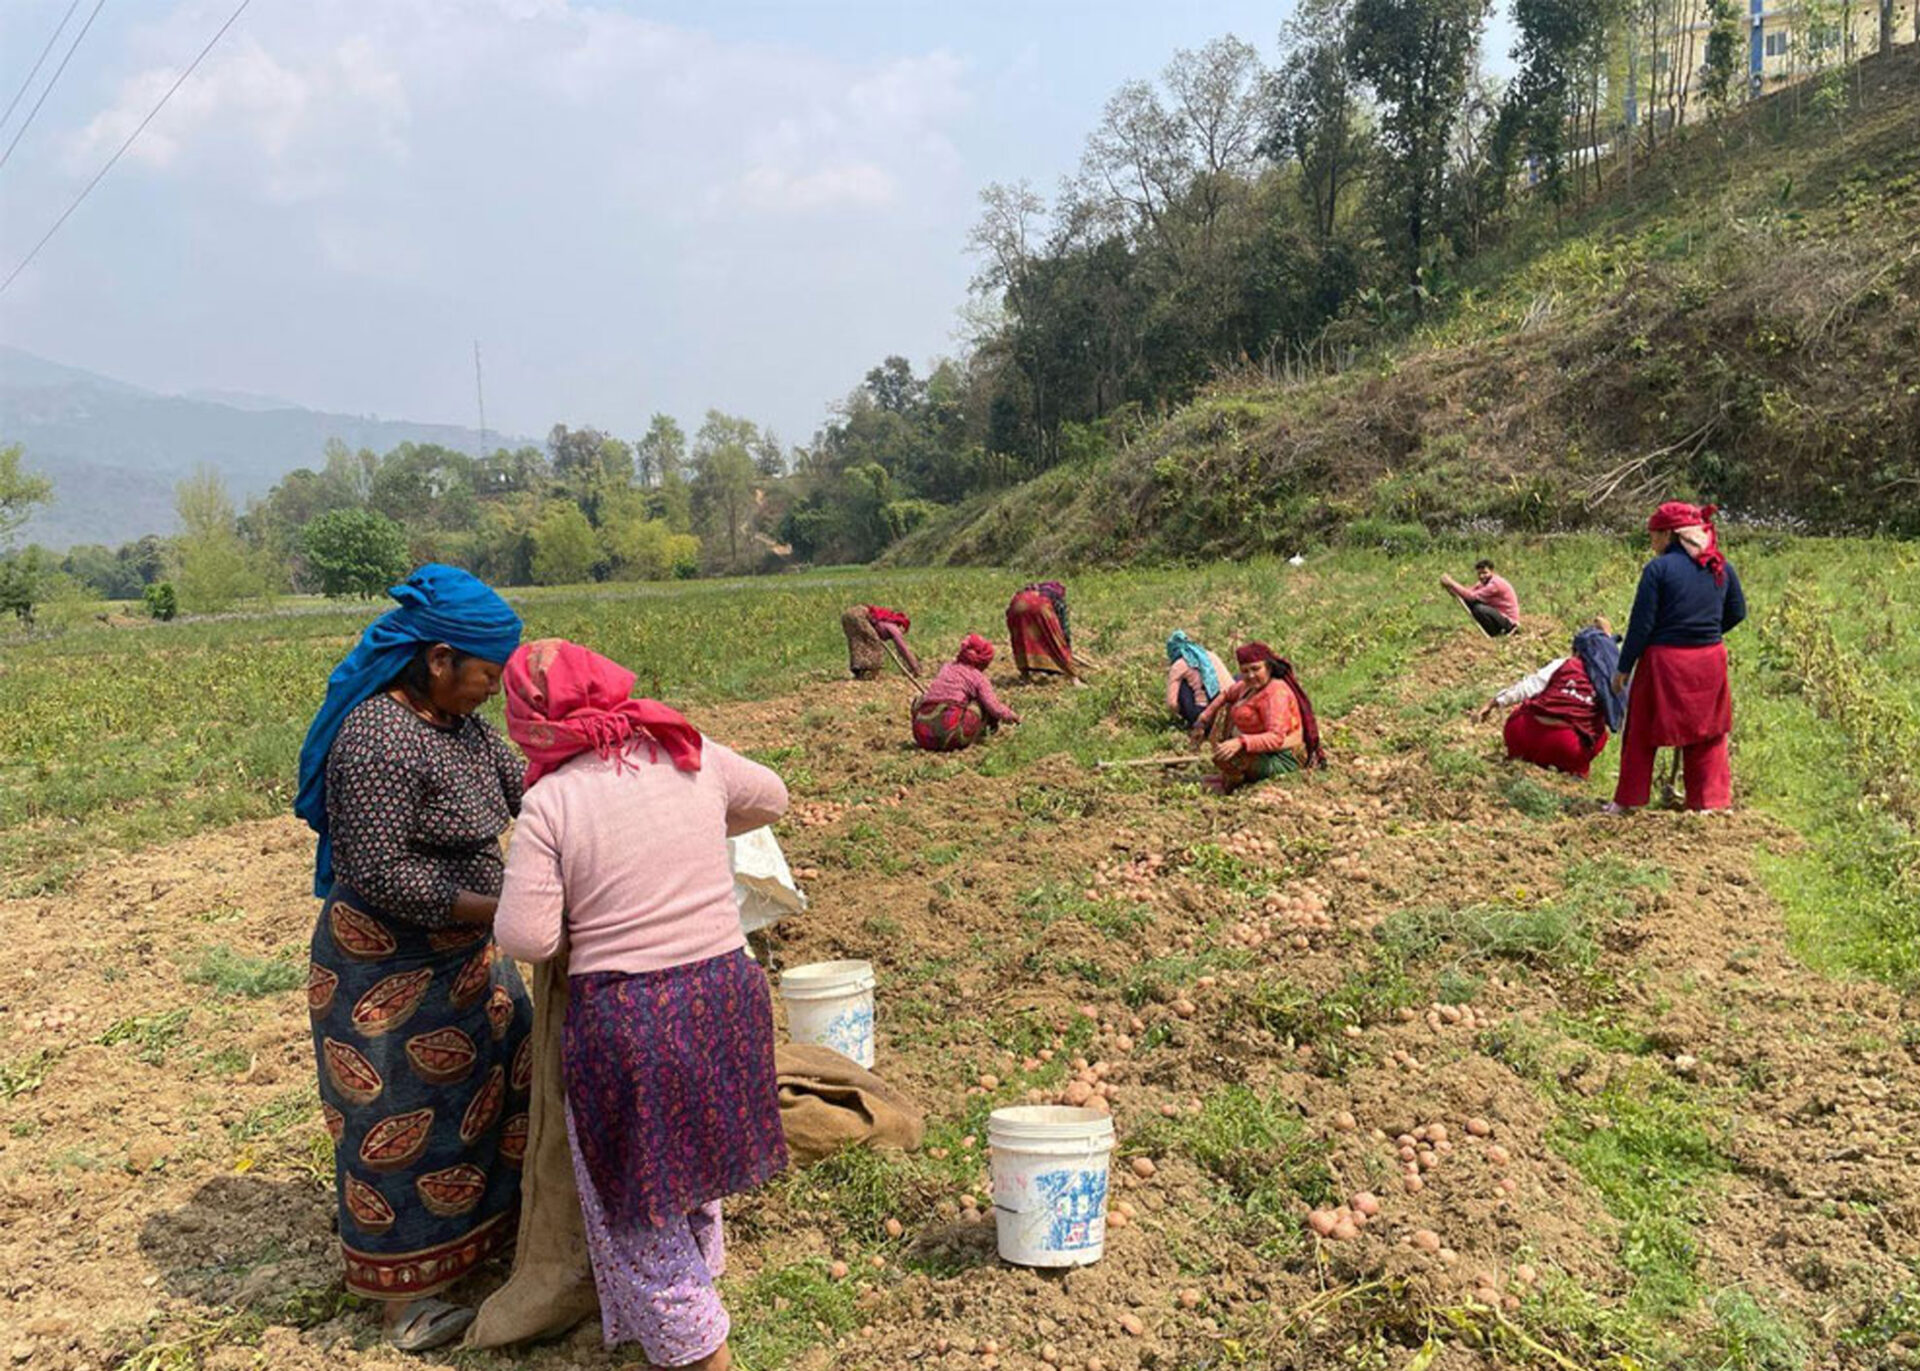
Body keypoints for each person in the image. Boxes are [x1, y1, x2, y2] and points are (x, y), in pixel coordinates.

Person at [493, 639, 790, 1371]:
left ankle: (699, 1351)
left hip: (633, 1017)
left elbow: (527, 937)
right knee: (691, 1167)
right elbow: (772, 797)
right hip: (725, 995)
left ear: (530, 719)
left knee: (636, 1199)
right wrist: (692, 830)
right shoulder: (688, 752)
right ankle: (695, 1299)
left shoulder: (551, 800)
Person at [293, 565, 531, 1352]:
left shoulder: (464, 728)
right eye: (486, 674)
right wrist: (506, 907)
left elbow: (528, 787)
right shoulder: (377, 737)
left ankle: (492, 1245)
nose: (492, 690)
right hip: (386, 968)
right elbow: (380, 871)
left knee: (505, 1084)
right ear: (438, 659)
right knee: (396, 1119)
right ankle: (405, 1299)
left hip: (470, 955)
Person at [1607, 502, 1746, 814]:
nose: (1652, 542)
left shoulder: (1658, 570)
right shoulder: (1719, 566)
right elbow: (1737, 611)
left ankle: (1628, 801)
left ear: (1669, 534)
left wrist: (1624, 667)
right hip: (1709, 660)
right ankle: (1709, 802)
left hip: (1665, 662)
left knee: (1642, 729)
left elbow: (1641, 625)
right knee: (1707, 732)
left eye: (1654, 535)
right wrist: (1706, 632)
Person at [1479, 618, 1627, 780]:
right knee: (1600, 733)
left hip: (1522, 735)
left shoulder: (1565, 664)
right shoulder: (1610, 679)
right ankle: (1577, 772)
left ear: (1577, 650)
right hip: (1565, 748)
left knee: (1524, 709)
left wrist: (1494, 702)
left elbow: (1528, 687)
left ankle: (1519, 755)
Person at [1192, 642, 1325, 792]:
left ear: (1268, 667)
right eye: (1245, 671)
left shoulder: (1275, 693)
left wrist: (1241, 742)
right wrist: (1202, 720)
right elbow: (1226, 694)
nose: (1251, 675)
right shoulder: (1247, 687)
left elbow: (1275, 738)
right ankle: (1231, 776)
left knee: (1229, 758)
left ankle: (1232, 785)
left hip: (1282, 756)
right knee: (1228, 713)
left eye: (1256, 669)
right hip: (1259, 749)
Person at [910, 634, 1021, 752]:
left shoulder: (946, 668)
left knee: (921, 699)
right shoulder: (977, 677)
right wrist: (1013, 716)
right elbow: (994, 708)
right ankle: (981, 733)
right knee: (979, 703)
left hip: (922, 737)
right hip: (950, 737)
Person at [1005, 580, 1081, 681]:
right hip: (1040, 607)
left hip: (1016, 608)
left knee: (1023, 640)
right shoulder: (1056, 597)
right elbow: (1064, 627)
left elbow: (1008, 611)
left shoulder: (1027, 591)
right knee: (1055, 642)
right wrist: (1066, 647)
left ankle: (1025, 675)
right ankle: (1073, 676)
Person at [1164, 630, 1230, 729]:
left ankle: (1194, 722)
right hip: (1229, 708)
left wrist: (1178, 714)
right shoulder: (1209, 655)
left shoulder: (1179, 665)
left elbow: (1172, 703)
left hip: (1203, 714)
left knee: (1182, 685)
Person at [1442, 559, 1521, 637]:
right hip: (1498, 614)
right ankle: (1495, 631)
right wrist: (1452, 588)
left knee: (1479, 609)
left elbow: (1471, 596)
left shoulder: (1495, 584)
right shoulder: (1483, 583)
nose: (1482, 576)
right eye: (1479, 574)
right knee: (1470, 602)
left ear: (1492, 571)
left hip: (1508, 621)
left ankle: (1499, 632)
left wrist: (1451, 583)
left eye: (1485, 573)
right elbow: (1468, 592)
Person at [840, 604, 920, 680]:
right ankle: (871, 672)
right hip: (860, 615)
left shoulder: (886, 621)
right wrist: (915, 667)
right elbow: (902, 648)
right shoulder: (894, 628)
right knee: (875, 644)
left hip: (848, 615)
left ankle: (859, 671)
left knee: (857, 644)